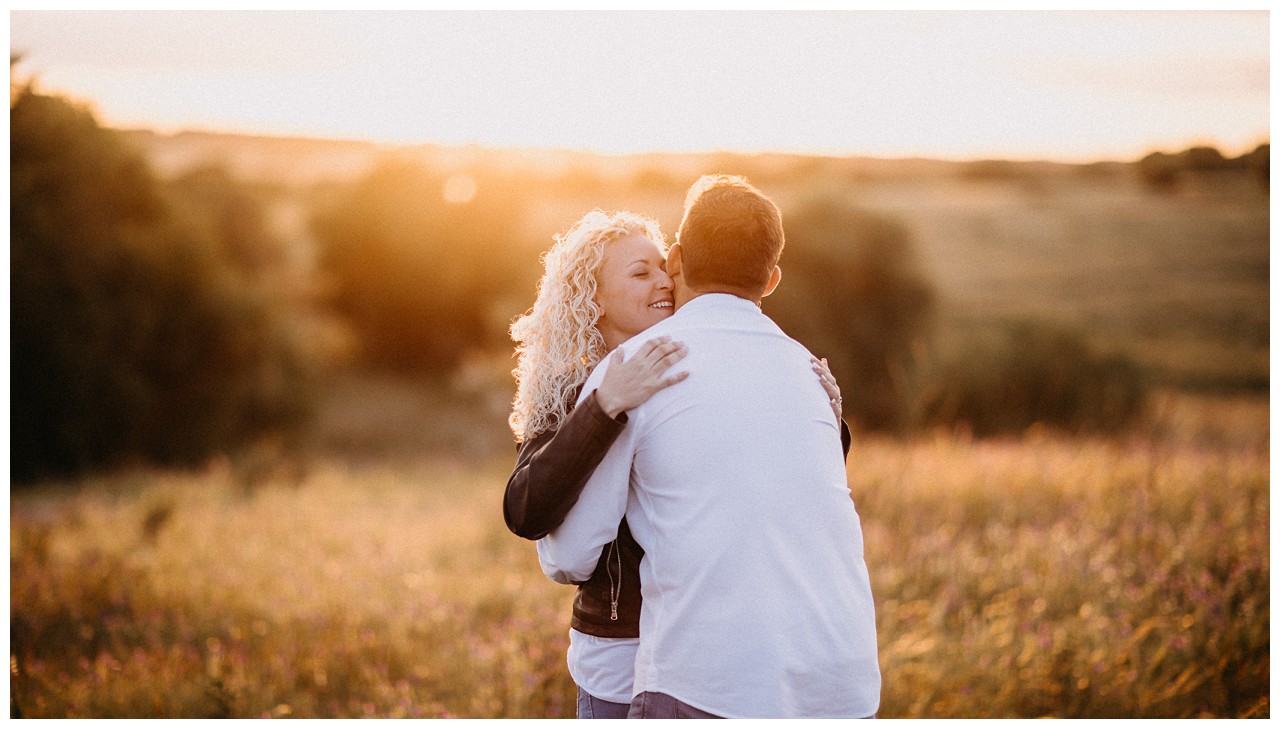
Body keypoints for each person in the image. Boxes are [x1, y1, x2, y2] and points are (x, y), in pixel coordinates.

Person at [537, 175, 881, 719]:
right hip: (843, 683)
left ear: (675, 259)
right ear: (770, 280)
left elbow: (570, 556)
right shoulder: (810, 372)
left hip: (706, 685)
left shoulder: (640, 367)